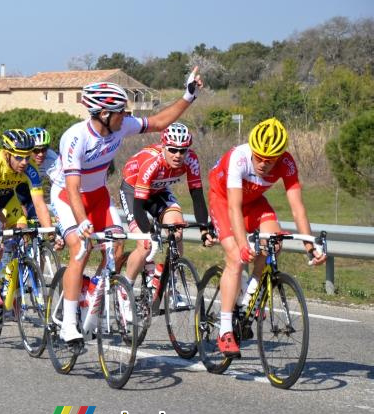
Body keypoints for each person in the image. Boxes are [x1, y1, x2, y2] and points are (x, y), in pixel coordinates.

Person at [50, 67, 204, 343]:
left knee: (118, 244)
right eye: (122, 111)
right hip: (67, 197)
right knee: (81, 248)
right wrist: (82, 221)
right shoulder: (75, 137)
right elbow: (72, 188)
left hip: (97, 194)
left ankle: (94, 292)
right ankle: (69, 323)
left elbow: (158, 122)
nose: (127, 115)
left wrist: (188, 96)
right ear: (104, 114)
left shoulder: (121, 125)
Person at [207, 117, 326, 357]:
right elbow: (233, 207)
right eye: (259, 157)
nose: (262, 163)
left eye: (269, 160)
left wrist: (308, 244)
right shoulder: (238, 158)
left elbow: (297, 207)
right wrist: (242, 246)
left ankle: (251, 292)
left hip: (254, 203)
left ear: (280, 157)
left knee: (274, 241)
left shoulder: (287, 163)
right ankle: (226, 329)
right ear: (252, 149)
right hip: (225, 201)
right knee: (236, 259)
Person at [119, 122, 215, 299]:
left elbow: (197, 196)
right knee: (145, 245)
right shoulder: (152, 163)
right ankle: (125, 291)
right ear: (164, 146)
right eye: (172, 149)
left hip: (159, 190)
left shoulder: (191, 160)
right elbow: (140, 205)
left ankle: (168, 279)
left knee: (177, 229)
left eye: (183, 150)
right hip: (134, 191)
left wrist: (204, 228)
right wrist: (149, 233)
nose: (178, 155)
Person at [0, 129, 57, 306]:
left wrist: (52, 234)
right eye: (19, 157)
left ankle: (9, 280)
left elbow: (39, 203)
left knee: (22, 228)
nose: (24, 162)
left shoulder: (29, 169)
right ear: (7, 154)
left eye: (27, 156)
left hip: (7, 195)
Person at [15, 126, 59, 221]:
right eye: (36, 150)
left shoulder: (52, 158)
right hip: (15, 189)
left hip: (33, 190)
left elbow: (59, 186)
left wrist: (59, 210)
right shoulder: (19, 158)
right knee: (19, 218)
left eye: (44, 149)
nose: (41, 154)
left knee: (36, 219)